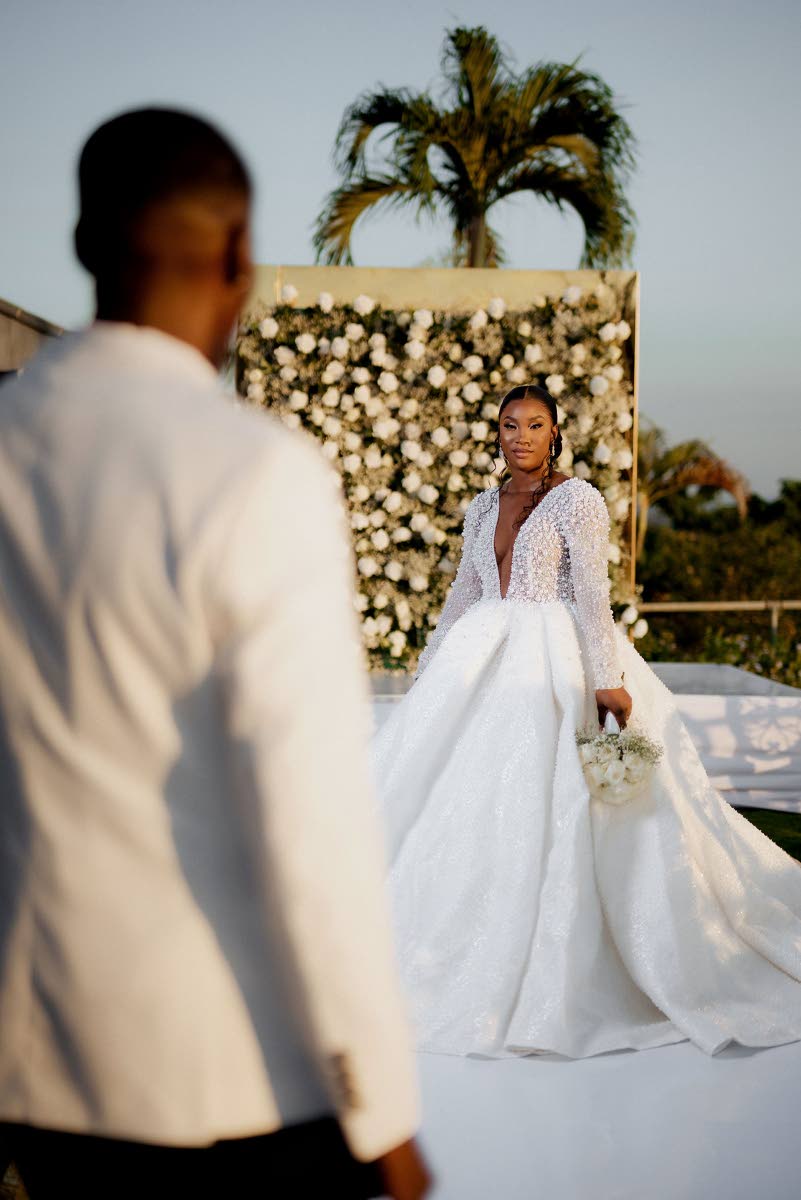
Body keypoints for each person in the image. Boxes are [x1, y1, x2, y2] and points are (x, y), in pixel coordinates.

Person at [0, 108, 430, 1200]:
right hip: (228, 1083)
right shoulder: (255, 473)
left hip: (35, 1069)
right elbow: (309, 825)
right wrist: (378, 1106)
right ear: (237, 258)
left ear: (87, 244)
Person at [373, 383, 801, 1060]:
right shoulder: (483, 504)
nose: (520, 436)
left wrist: (606, 679)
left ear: (554, 433)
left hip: (548, 660)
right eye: (509, 425)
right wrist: (430, 674)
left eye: (533, 425)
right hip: (480, 657)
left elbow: (589, 595)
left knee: (562, 799)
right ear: (498, 433)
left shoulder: (576, 500)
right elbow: (465, 591)